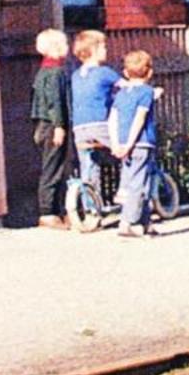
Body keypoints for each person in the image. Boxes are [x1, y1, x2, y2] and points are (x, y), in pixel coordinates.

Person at [109, 49, 159, 238]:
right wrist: (130, 144)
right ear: (150, 72)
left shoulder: (121, 94)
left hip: (121, 143)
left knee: (136, 181)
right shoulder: (146, 92)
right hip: (141, 143)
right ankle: (127, 222)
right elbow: (140, 119)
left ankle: (145, 222)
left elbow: (112, 118)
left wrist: (116, 143)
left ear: (125, 72)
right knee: (138, 183)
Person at [28, 28, 72, 229]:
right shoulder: (55, 73)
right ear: (56, 47)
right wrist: (59, 126)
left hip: (42, 125)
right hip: (52, 125)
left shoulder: (43, 71)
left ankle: (56, 210)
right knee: (52, 169)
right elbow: (54, 102)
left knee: (52, 167)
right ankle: (48, 212)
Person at [69, 29, 119, 201]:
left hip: (79, 127)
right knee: (128, 151)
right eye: (104, 47)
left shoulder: (76, 75)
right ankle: (129, 190)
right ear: (94, 50)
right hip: (99, 124)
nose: (106, 50)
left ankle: (90, 206)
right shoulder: (104, 72)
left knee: (89, 164)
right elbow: (129, 88)